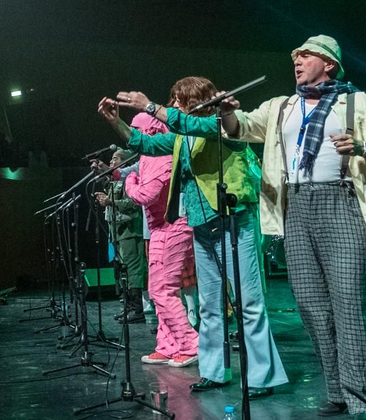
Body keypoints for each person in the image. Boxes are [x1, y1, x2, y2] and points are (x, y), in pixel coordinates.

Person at [143, 36, 366, 420]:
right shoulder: (282, 107)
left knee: (350, 306)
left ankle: (363, 399)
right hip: (295, 206)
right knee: (312, 305)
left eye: (306, 56)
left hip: (342, 202)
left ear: (329, 63)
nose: (297, 61)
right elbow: (240, 128)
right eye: (295, 56)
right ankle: (338, 392)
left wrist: (361, 147)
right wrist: (226, 113)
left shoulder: (359, 103)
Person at [99, 77, 288, 398]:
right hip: (202, 224)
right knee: (210, 304)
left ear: (195, 102)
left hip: (235, 219)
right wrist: (117, 123)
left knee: (249, 302)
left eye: (177, 101)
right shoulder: (180, 137)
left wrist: (149, 106)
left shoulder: (221, 125)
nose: (172, 106)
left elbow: (192, 125)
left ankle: (262, 377)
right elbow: (142, 144)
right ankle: (215, 371)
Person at [118, 111, 199, 367]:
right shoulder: (145, 157)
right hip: (157, 229)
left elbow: (146, 195)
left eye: (137, 129)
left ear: (151, 130)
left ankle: (190, 343)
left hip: (174, 226)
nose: (133, 134)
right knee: (157, 290)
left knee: (164, 290)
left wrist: (130, 182)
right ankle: (168, 344)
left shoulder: (163, 156)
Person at [94, 170, 147, 325]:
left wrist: (111, 202)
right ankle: (128, 306)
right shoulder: (114, 183)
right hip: (117, 232)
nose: (111, 164)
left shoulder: (131, 181)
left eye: (115, 160)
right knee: (123, 269)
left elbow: (134, 203)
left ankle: (138, 309)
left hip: (130, 231)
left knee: (133, 270)